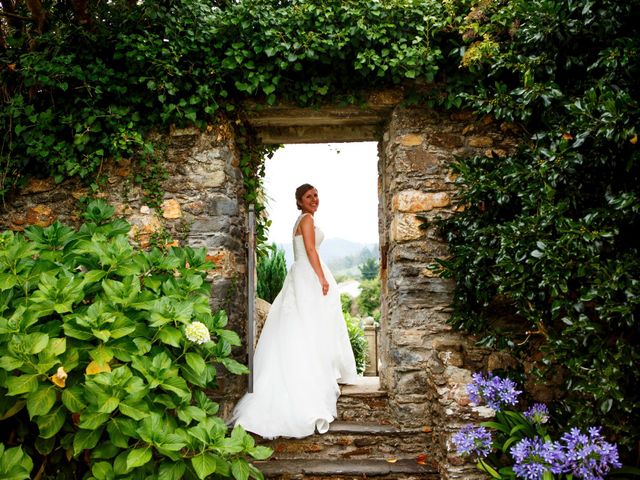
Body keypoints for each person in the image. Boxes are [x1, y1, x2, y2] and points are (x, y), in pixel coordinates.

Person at [232, 183, 358, 439]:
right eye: (309, 196)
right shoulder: (307, 219)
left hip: (300, 274)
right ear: (300, 201)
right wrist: (322, 278)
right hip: (307, 274)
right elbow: (311, 250)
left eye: (316, 195)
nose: (315, 199)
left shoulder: (299, 220)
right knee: (309, 325)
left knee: (301, 325)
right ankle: (311, 373)